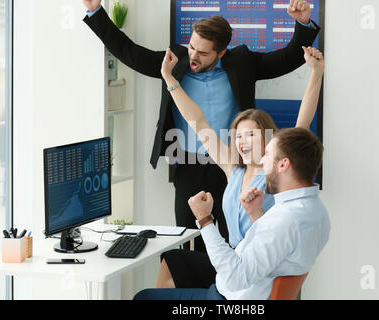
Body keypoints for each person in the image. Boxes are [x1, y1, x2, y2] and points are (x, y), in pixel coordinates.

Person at [82, 0, 320, 252]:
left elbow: (287, 58)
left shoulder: (242, 62)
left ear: (221, 52)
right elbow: (128, 51)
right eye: (192, 46)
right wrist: (96, 11)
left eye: (203, 53)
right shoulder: (175, 61)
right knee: (186, 239)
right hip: (188, 163)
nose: (194, 56)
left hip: (232, 164)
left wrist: (302, 22)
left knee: (232, 239)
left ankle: (226, 289)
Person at [155, 45, 324, 289]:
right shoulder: (234, 170)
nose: (242, 142)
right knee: (172, 261)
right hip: (232, 256)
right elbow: (199, 123)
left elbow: (303, 122)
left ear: (269, 138)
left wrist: (316, 72)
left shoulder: (277, 173)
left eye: (251, 135)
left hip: (253, 268)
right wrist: (169, 78)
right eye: (238, 136)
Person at [134, 126, 331, 300]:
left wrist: (204, 220)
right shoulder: (316, 211)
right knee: (176, 262)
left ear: (283, 165)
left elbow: (236, 278)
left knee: (144, 297)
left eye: (268, 155)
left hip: (229, 298)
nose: (262, 160)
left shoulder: (285, 219)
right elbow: (279, 249)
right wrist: (256, 214)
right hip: (252, 288)